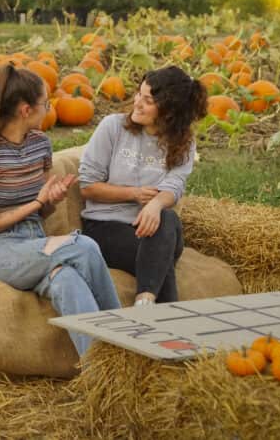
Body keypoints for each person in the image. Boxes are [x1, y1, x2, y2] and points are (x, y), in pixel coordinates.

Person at [0, 63, 121, 357]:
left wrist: (51, 199)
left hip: (35, 242)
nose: (49, 109)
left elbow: (42, 212)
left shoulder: (39, 144)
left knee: (67, 281)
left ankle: (101, 374)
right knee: (83, 247)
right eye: (45, 104)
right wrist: (35, 202)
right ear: (25, 110)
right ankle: (127, 340)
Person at [78, 65, 207, 306]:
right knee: (161, 257)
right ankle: (149, 303)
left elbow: (174, 185)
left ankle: (146, 304)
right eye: (139, 94)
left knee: (168, 219)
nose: (137, 102)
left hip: (154, 230)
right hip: (105, 228)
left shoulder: (183, 143)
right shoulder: (113, 127)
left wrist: (156, 204)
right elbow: (87, 186)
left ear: (169, 110)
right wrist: (134, 194)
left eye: (147, 100)